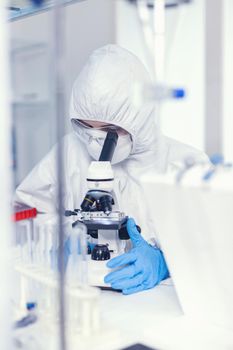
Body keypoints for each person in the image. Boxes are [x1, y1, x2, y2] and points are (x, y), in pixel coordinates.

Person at [15, 44, 207, 294]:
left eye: (109, 131)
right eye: (86, 127)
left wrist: (165, 263)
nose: (96, 142)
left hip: (160, 306)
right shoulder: (69, 151)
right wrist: (61, 237)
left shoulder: (185, 164)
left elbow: (214, 250)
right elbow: (28, 212)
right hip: (82, 296)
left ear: (138, 120)